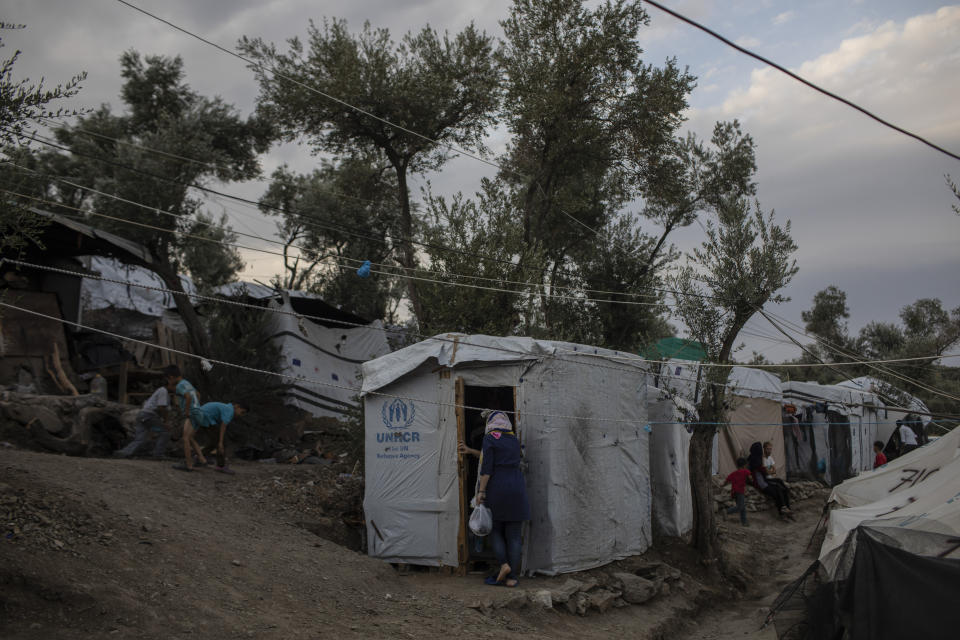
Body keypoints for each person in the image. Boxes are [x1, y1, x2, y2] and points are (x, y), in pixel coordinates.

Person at [476, 411, 529, 588]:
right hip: (517, 487)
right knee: (514, 536)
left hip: (498, 487)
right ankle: (512, 578)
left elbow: (487, 469)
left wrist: (481, 492)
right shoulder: (513, 440)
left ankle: (504, 565)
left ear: (490, 423)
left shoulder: (490, 438)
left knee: (495, 530)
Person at [174, 400, 248, 472]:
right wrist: (220, 442)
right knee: (221, 443)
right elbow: (223, 426)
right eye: (242, 412)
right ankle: (220, 466)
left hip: (203, 416)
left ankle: (198, 458)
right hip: (206, 417)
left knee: (213, 442)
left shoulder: (226, 407)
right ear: (237, 406)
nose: (240, 415)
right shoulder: (230, 410)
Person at [114, 380, 174, 458]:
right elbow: (161, 408)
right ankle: (158, 454)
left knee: (140, 439)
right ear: (170, 384)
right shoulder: (163, 391)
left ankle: (123, 453)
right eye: (175, 386)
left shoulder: (161, 392)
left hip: (142, 415)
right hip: (149, 416)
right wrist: (165, 422)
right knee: (165, 432)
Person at [749, 442, 794, 521]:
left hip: (765, 481)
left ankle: (787, 510)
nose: (769, 450)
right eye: (767, 449)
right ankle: (783, 511)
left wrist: (769, 470)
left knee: (781, 488)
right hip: (762, 484)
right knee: (778, 490)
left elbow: (772, 470)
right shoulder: (756, 461)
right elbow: (767, 471)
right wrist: (769, 470)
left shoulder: (756, 459)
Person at [722, 457, 752, 526]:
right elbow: (750, 477)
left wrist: (723, 485)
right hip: (740, 491)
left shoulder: (734, 473)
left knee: (742, 507)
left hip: (734, 492)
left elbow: (727, 480)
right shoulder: (745, 471)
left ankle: (744, 522)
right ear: (744, 465)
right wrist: (751, 479)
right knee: (740, 507)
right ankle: (726, 511)